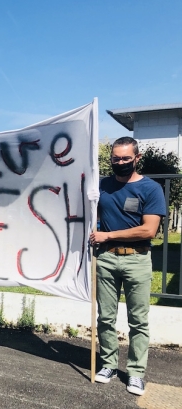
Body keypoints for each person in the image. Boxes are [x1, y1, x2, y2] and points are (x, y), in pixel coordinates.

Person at [90, 137, 166, 396]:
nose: (120, 163)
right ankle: (109, 364)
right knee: (105, 318)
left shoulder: (151, 188)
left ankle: (135, 372)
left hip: (137, 259)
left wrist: (108, 235)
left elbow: (149, 229)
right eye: (115, 158)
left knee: (138, 321)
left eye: (125, 158)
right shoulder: (101, 186)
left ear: (137, 157)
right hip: (107, 259)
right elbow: (90, 213)